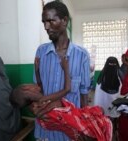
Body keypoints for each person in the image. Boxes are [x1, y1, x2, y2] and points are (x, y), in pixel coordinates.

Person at [34, 1, 91, 140]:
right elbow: (36, 90)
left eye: (51, 21)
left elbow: (83, 96)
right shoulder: (41, 52)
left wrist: (84, 128)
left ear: (64, 21)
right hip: (46, 130)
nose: (46, 27)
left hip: (70, 131)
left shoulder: (82, 55)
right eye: (44, 22)